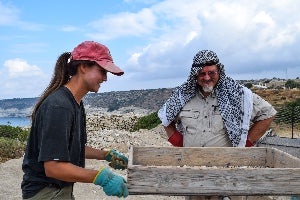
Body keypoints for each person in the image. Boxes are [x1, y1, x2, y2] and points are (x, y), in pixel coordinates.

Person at [158, 50, 277, 200]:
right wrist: (179, 143)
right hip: (193, 176)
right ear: (195, 75)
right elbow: (165, 118)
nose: (207, 78)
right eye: (202, 73)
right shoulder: (182, 95)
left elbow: (268, 113)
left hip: (226, 178)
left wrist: (244, 145)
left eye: (211, 73)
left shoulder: (237, 94)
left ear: (219, 71)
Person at [21, 41, 129, 199]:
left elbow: (73, 146)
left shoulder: (76, 103)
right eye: (102, 71)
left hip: (58, 190)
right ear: (83, 67)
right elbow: (53, 168)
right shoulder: (59, 106)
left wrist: (106, 155)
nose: (105, 78)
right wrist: (101, 177)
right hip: (46, 192)